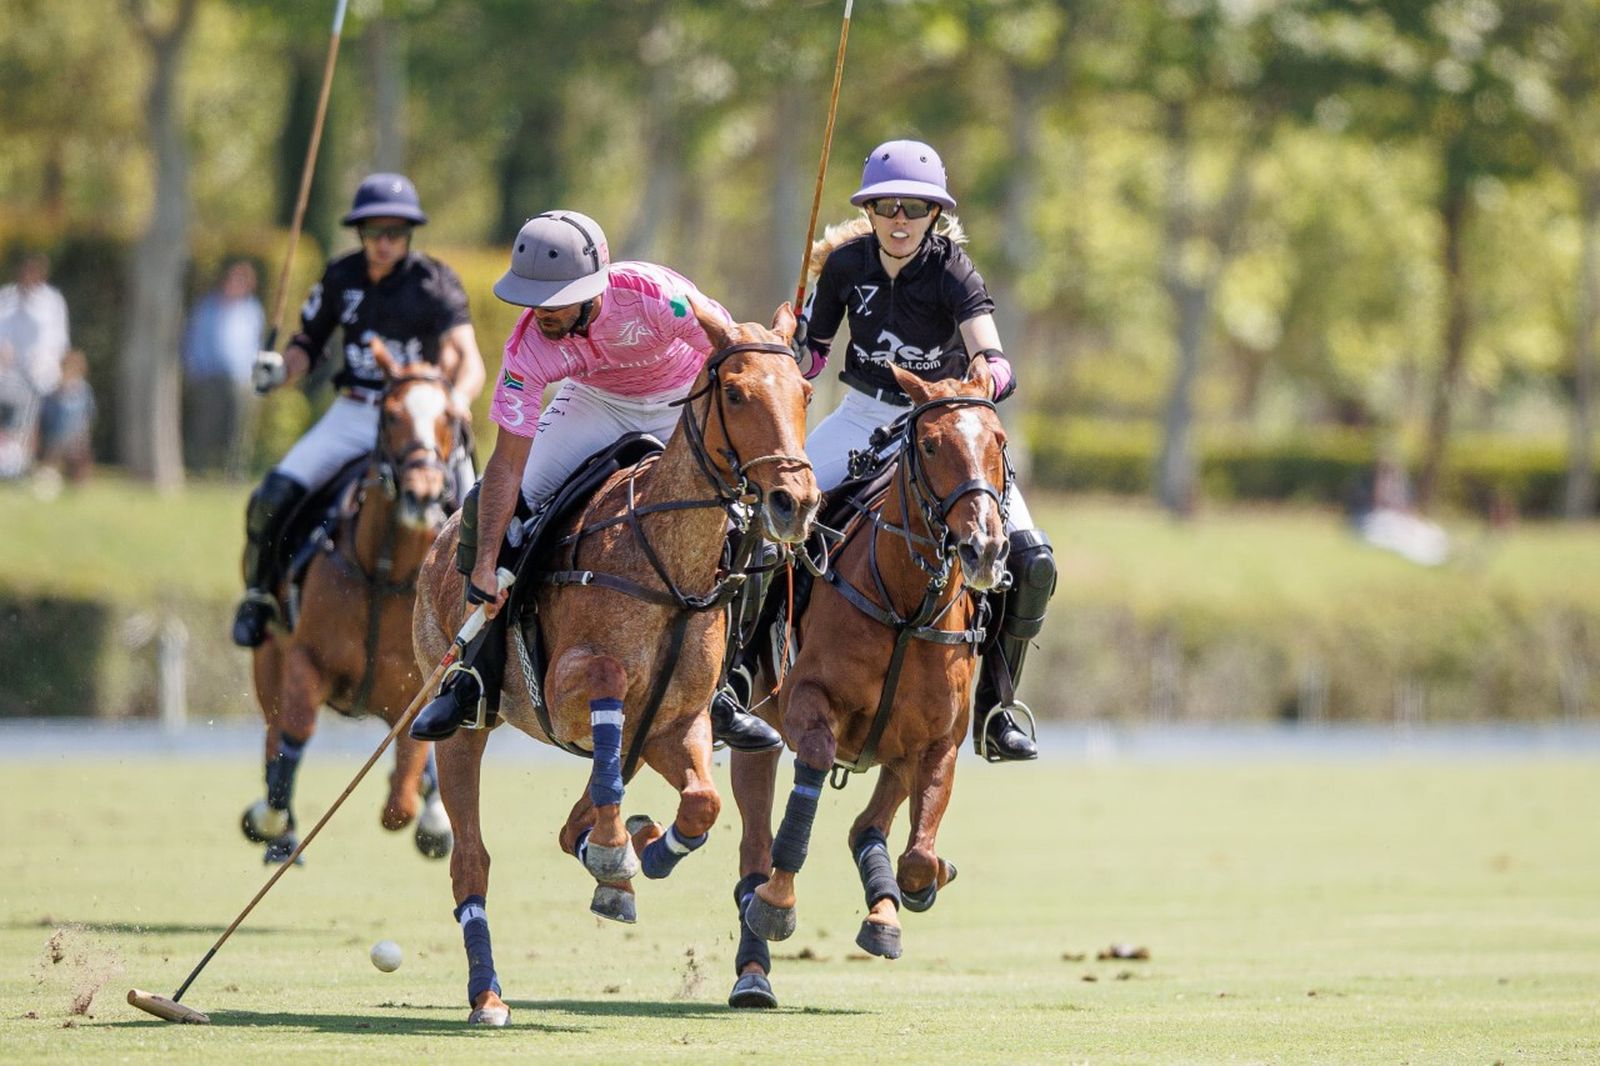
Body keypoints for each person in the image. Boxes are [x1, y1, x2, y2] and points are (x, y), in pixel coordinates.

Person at [407, 209, 782, 754]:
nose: (542, 314)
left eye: (556, 299)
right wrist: (487, 560)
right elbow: (508, 464)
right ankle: (476, 679)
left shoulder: (659, 297)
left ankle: (724, 689)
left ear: (593, 287)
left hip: (682, 401)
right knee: (495, 507)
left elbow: (732, 355)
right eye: (533, 299)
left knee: (752, 531)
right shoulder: (526, 347)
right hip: (596, 403)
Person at [791, 138, 1056, 762]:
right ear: (871, 211)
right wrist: (793, 350)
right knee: (764, 516)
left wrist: (984, 377)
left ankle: (996, 706)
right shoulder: (845, 266)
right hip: (860, 418)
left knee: (1033, 560)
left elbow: (992, 354)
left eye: (915, 207)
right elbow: (816, 354)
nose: (901, 219)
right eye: (888, 207)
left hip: (943, 425)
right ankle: (742, 676)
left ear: (935, 214)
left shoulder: (952, 271)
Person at [232, 172, 487, 648]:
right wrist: (279, 370)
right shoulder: (340, 277)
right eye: (374, 233)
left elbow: (468, 356)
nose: (384, 243)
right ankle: (260, 595)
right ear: (361, 234)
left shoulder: (434, 283)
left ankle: (487, 628)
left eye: (394, 233)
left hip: (419, 417)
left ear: (408, 236)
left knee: (477, 513)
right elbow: (307, 344)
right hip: (354, 412)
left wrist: (458, 398)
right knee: (273, 495)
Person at [182, 259, 265, 476]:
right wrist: (195, 369)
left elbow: (255, 345)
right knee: (205, 424)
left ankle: (234, 471)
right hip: (210, 375)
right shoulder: (208, 306)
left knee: (238, 429)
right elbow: (195, 339)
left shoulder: (252, 311)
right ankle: (198, 468)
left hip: (240, 377)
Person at [0, 251, 71, 401]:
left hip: (42, 374)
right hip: (8, 375)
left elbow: (60, 341)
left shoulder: (52, 300)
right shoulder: (6, 297)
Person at [34, 348, 95, 492]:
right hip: (56, 435)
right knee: (52, 459)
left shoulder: (84, 391)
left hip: (77, 436)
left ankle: (78, 484)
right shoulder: (54, 391)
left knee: (78, 462)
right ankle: (49, 482)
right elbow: (46, 412)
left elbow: (89, 413)